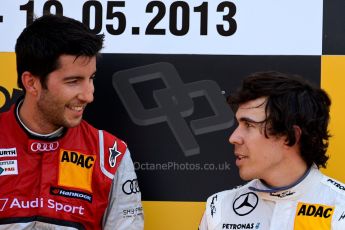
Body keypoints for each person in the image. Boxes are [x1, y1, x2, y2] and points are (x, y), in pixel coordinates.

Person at [0, 15, 143, 229]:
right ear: (31, 83)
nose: (88, 95)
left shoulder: (110, 154)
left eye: (91, 78)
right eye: (73, 81)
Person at [199, 71, 345, 229]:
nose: (233, 137)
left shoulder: (339, 208)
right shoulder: (219, 207)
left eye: (249, 125)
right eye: (238, 124)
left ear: (291, 136)